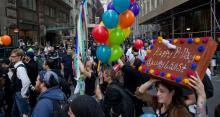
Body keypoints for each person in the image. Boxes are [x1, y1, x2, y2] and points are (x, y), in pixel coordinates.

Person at [135, 72, 206, 117]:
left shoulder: (179, 111)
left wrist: (202, 96)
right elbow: (139, 93)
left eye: (162, 91)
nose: (157, 94)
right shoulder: (157, 103)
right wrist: (150, 81)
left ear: (172, 92)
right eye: (157, 90)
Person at [10, 49, 31, 117]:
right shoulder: (17, 66)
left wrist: (23, 94)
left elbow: (27, 82)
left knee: (23, 114)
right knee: (15, 112)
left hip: (20, 94)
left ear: (19, 57)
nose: (11, 58)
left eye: (13, 56)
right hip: (18, 93)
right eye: (11, 56)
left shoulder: (20, 68)